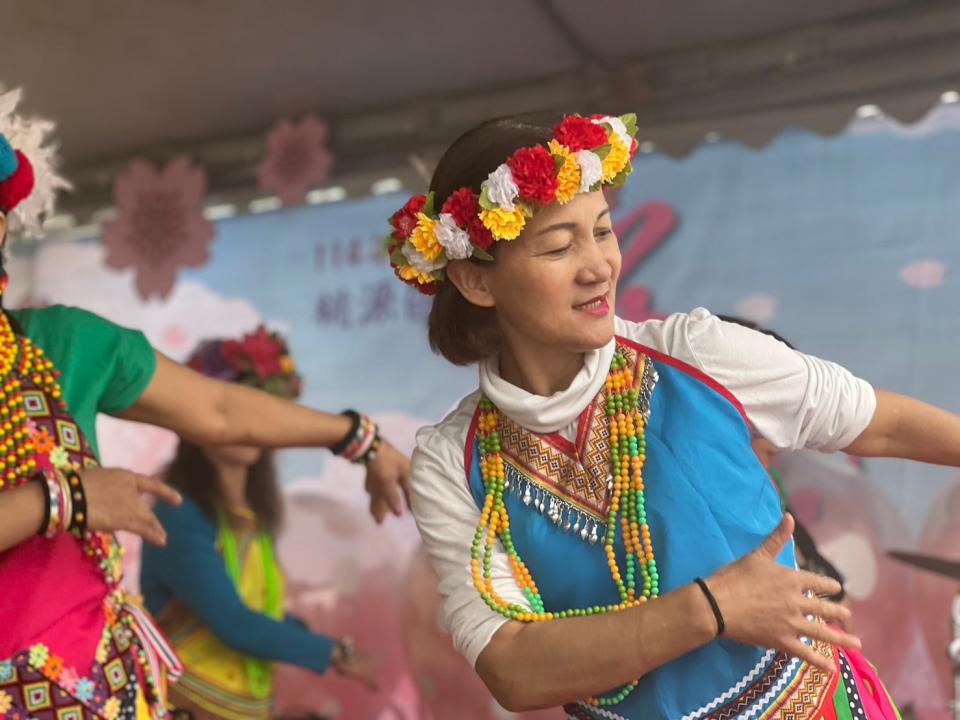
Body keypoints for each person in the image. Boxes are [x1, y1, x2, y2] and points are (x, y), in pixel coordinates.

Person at [386, 112, 957, 718]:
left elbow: (879, 421)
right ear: (476, 280)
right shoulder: (454, 461)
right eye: (559, 245)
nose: (598, 266)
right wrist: (710, 609)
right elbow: (513, 669)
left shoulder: (696, 354)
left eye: (603, 231)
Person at [0, 100, 408, 720]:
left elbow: (218, 407)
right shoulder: (184, 513)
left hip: (91, 692)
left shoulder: (62, 346)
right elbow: (234, 622)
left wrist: (359, 439)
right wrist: (65, 501)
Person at [141, 331, 377, 720]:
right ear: (199, 418)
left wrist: (326, 645)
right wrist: (330, 652)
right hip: (188, 705)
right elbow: (234, 622)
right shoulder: (175, 511)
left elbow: (255, 615)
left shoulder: (251, 517)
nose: (247, 424)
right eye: (232, 407)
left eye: (258, 409)